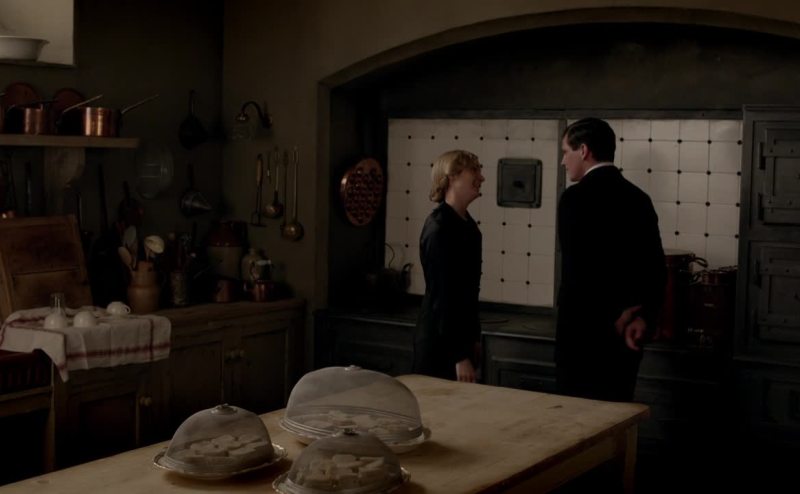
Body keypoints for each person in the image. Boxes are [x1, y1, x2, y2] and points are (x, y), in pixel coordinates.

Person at [556, 118, 666, 402]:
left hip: (582, 336)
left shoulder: (574, 199)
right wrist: (641, 316)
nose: (563, 161)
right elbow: (655, 268)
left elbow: (579, 272)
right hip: (626, 336)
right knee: (617, 415)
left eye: (565, 152)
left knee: (577, 419)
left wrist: (607, 319)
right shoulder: (639, 198)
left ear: (583, 150)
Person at [414, 150, 485, 382]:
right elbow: (442, 297)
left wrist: (474, 338)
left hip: (459, 343)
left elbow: (469, 292)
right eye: (474, 170)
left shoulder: (468, 226)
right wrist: (459, 356)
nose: (481, 177)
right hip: (440, 346)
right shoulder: (439, 227)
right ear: (452, 176)